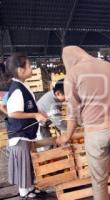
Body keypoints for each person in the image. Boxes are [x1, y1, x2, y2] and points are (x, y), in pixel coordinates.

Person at [56, 46, 110, 200]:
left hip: (96, 133)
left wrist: (66, 136)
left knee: (100, 180)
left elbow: (72, 112)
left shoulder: (72, 75)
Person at [5, 53, 48, 199]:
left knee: (28, 163)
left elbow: (27, 107)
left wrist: (38, 112)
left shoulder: (22, 86)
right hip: (19, 133)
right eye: (29, 66)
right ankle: (24, 193)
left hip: (27, 133)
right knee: (22, 163)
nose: (31, 68)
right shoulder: (17, 88)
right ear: (20, 70)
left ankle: (30, 188)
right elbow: (13, 113)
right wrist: (35, 115)